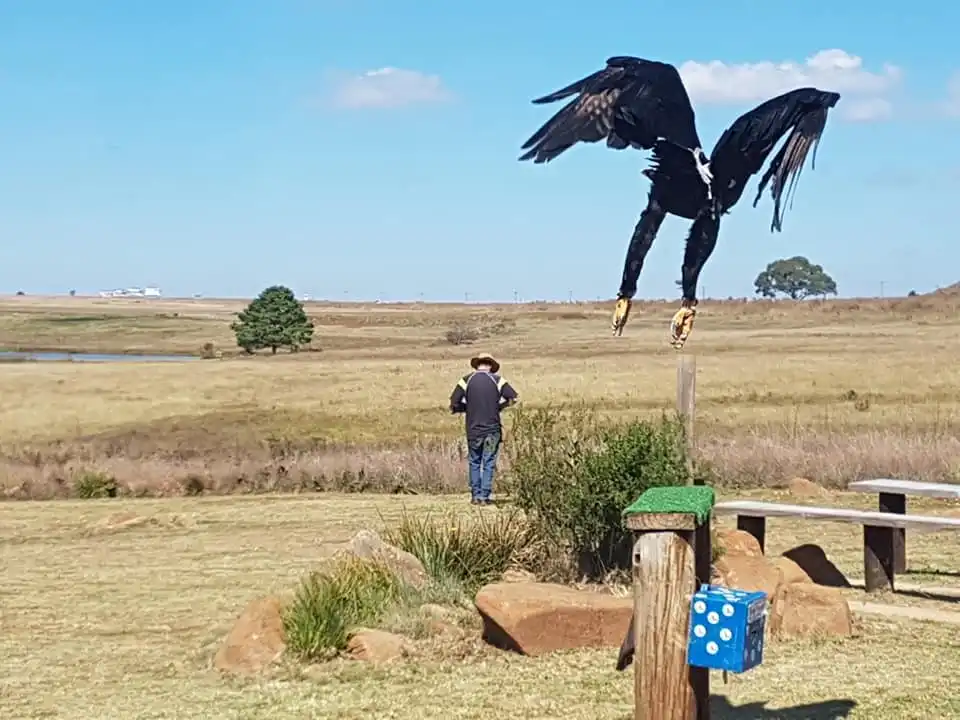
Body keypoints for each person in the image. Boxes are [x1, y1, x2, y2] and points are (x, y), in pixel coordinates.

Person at [448, 351, 519, 505]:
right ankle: (485, 496)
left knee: (474, 461)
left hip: (473, 430)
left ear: (477, 364)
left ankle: (475, 496)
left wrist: (466, 408)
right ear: (491, 365)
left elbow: (453, 403)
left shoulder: (466, 380)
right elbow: (513, 398)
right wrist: (499, 407)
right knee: (488, 462)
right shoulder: (498, 380)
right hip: (492, 429)